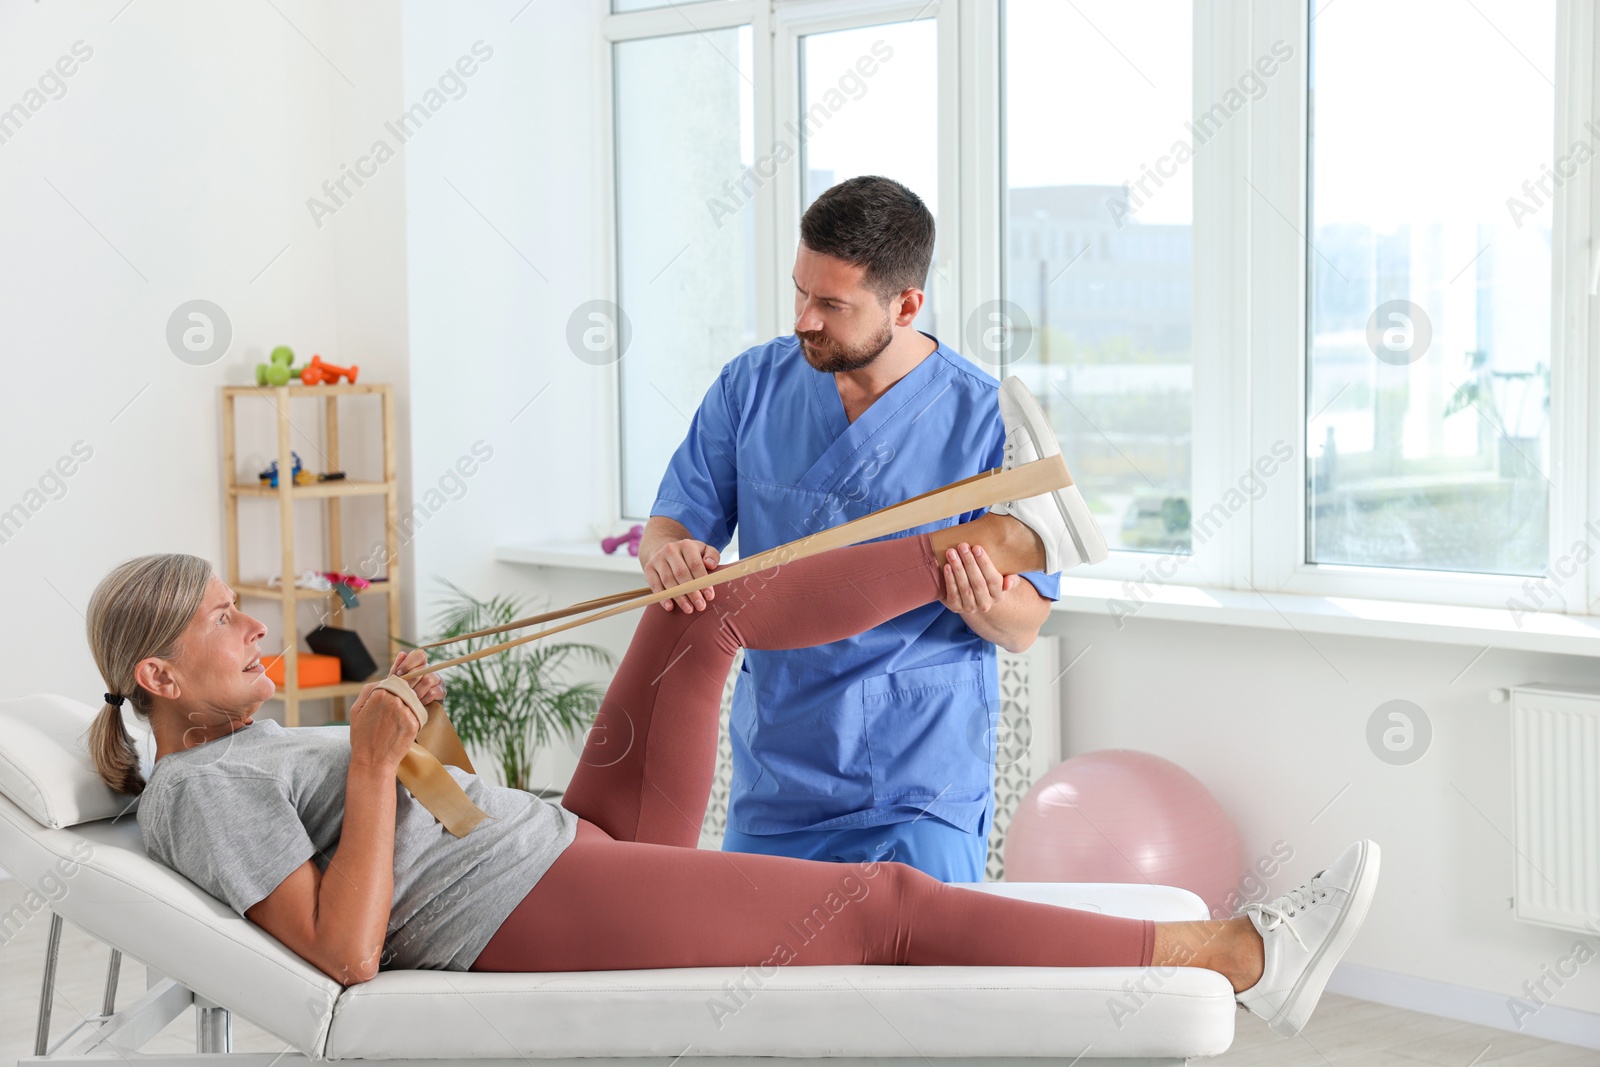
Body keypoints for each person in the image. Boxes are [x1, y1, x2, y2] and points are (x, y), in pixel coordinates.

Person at [86, 386, 1378, 1039]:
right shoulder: (200, 791)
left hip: (554, 839)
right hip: (518, 913)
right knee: (875, 905)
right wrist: (372, 766)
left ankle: (1002, 531)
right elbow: (350, 958)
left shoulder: (251, 743)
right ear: (159, 677)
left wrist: (423, 738)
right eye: (221, 620)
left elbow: (445, 809)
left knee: (703, 605)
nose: (251, 623)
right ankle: (1239, 957)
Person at [641, 176, 1106, 882]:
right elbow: (671, 524)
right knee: (760, 990)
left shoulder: (982, 418)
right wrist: (670, 551)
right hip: (778, 780)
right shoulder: (751, 387)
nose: (804, 319)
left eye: (832, 304)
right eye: (800, 291)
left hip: (918, 785)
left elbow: (1020, 626)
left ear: (908, 303)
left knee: (927, 990)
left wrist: (981, 597)